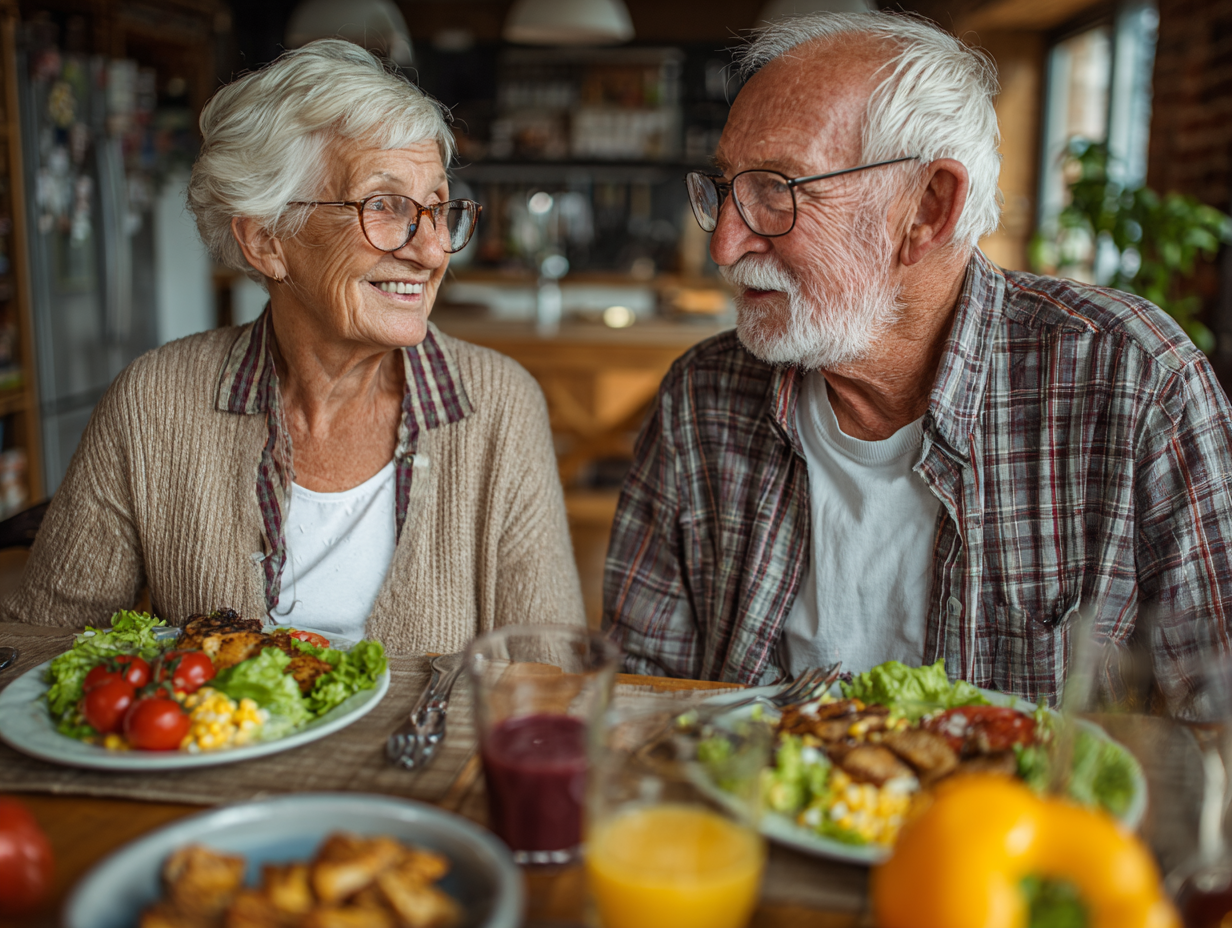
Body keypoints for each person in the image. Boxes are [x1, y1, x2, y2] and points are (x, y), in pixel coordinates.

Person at [603, 12, 1232, 706]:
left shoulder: (1137, 385)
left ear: (927, 209)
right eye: (727, 189)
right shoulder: (703, 396)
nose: (724, 246)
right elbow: (639, 697)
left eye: (777, 190)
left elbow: (1215, 732)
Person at [3, 40, 585, 650]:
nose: (433, 248)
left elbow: (551, 672)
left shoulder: (499, 405)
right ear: (266, 241)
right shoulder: (154, 403)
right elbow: (40, 647)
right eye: (385, 205)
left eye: (439, 209)